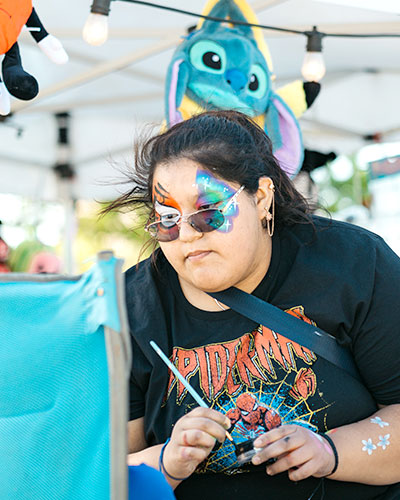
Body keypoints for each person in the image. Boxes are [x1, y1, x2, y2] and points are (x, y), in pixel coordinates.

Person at [106, 110, 400, 500]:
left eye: (208, 211)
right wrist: (167, 461)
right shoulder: (133, 305)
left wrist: (330, 452)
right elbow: (102, 476)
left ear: (261, 198)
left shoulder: (354, 264)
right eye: (167, 219)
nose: (187, 236)